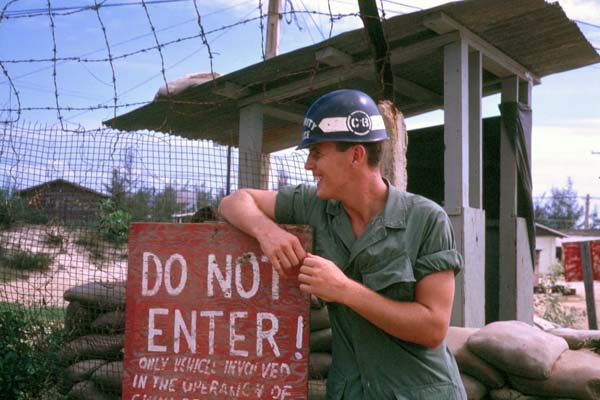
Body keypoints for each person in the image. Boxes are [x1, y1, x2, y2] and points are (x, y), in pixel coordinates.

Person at [218, 89, 467, 399]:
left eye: (317, 153)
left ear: (356, 156)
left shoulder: (427, 220)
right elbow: (234, 201)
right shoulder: (314, 206)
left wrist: (344, 290)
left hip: (421, 392)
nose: (309, 165)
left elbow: (433, 328)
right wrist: (267, 232)